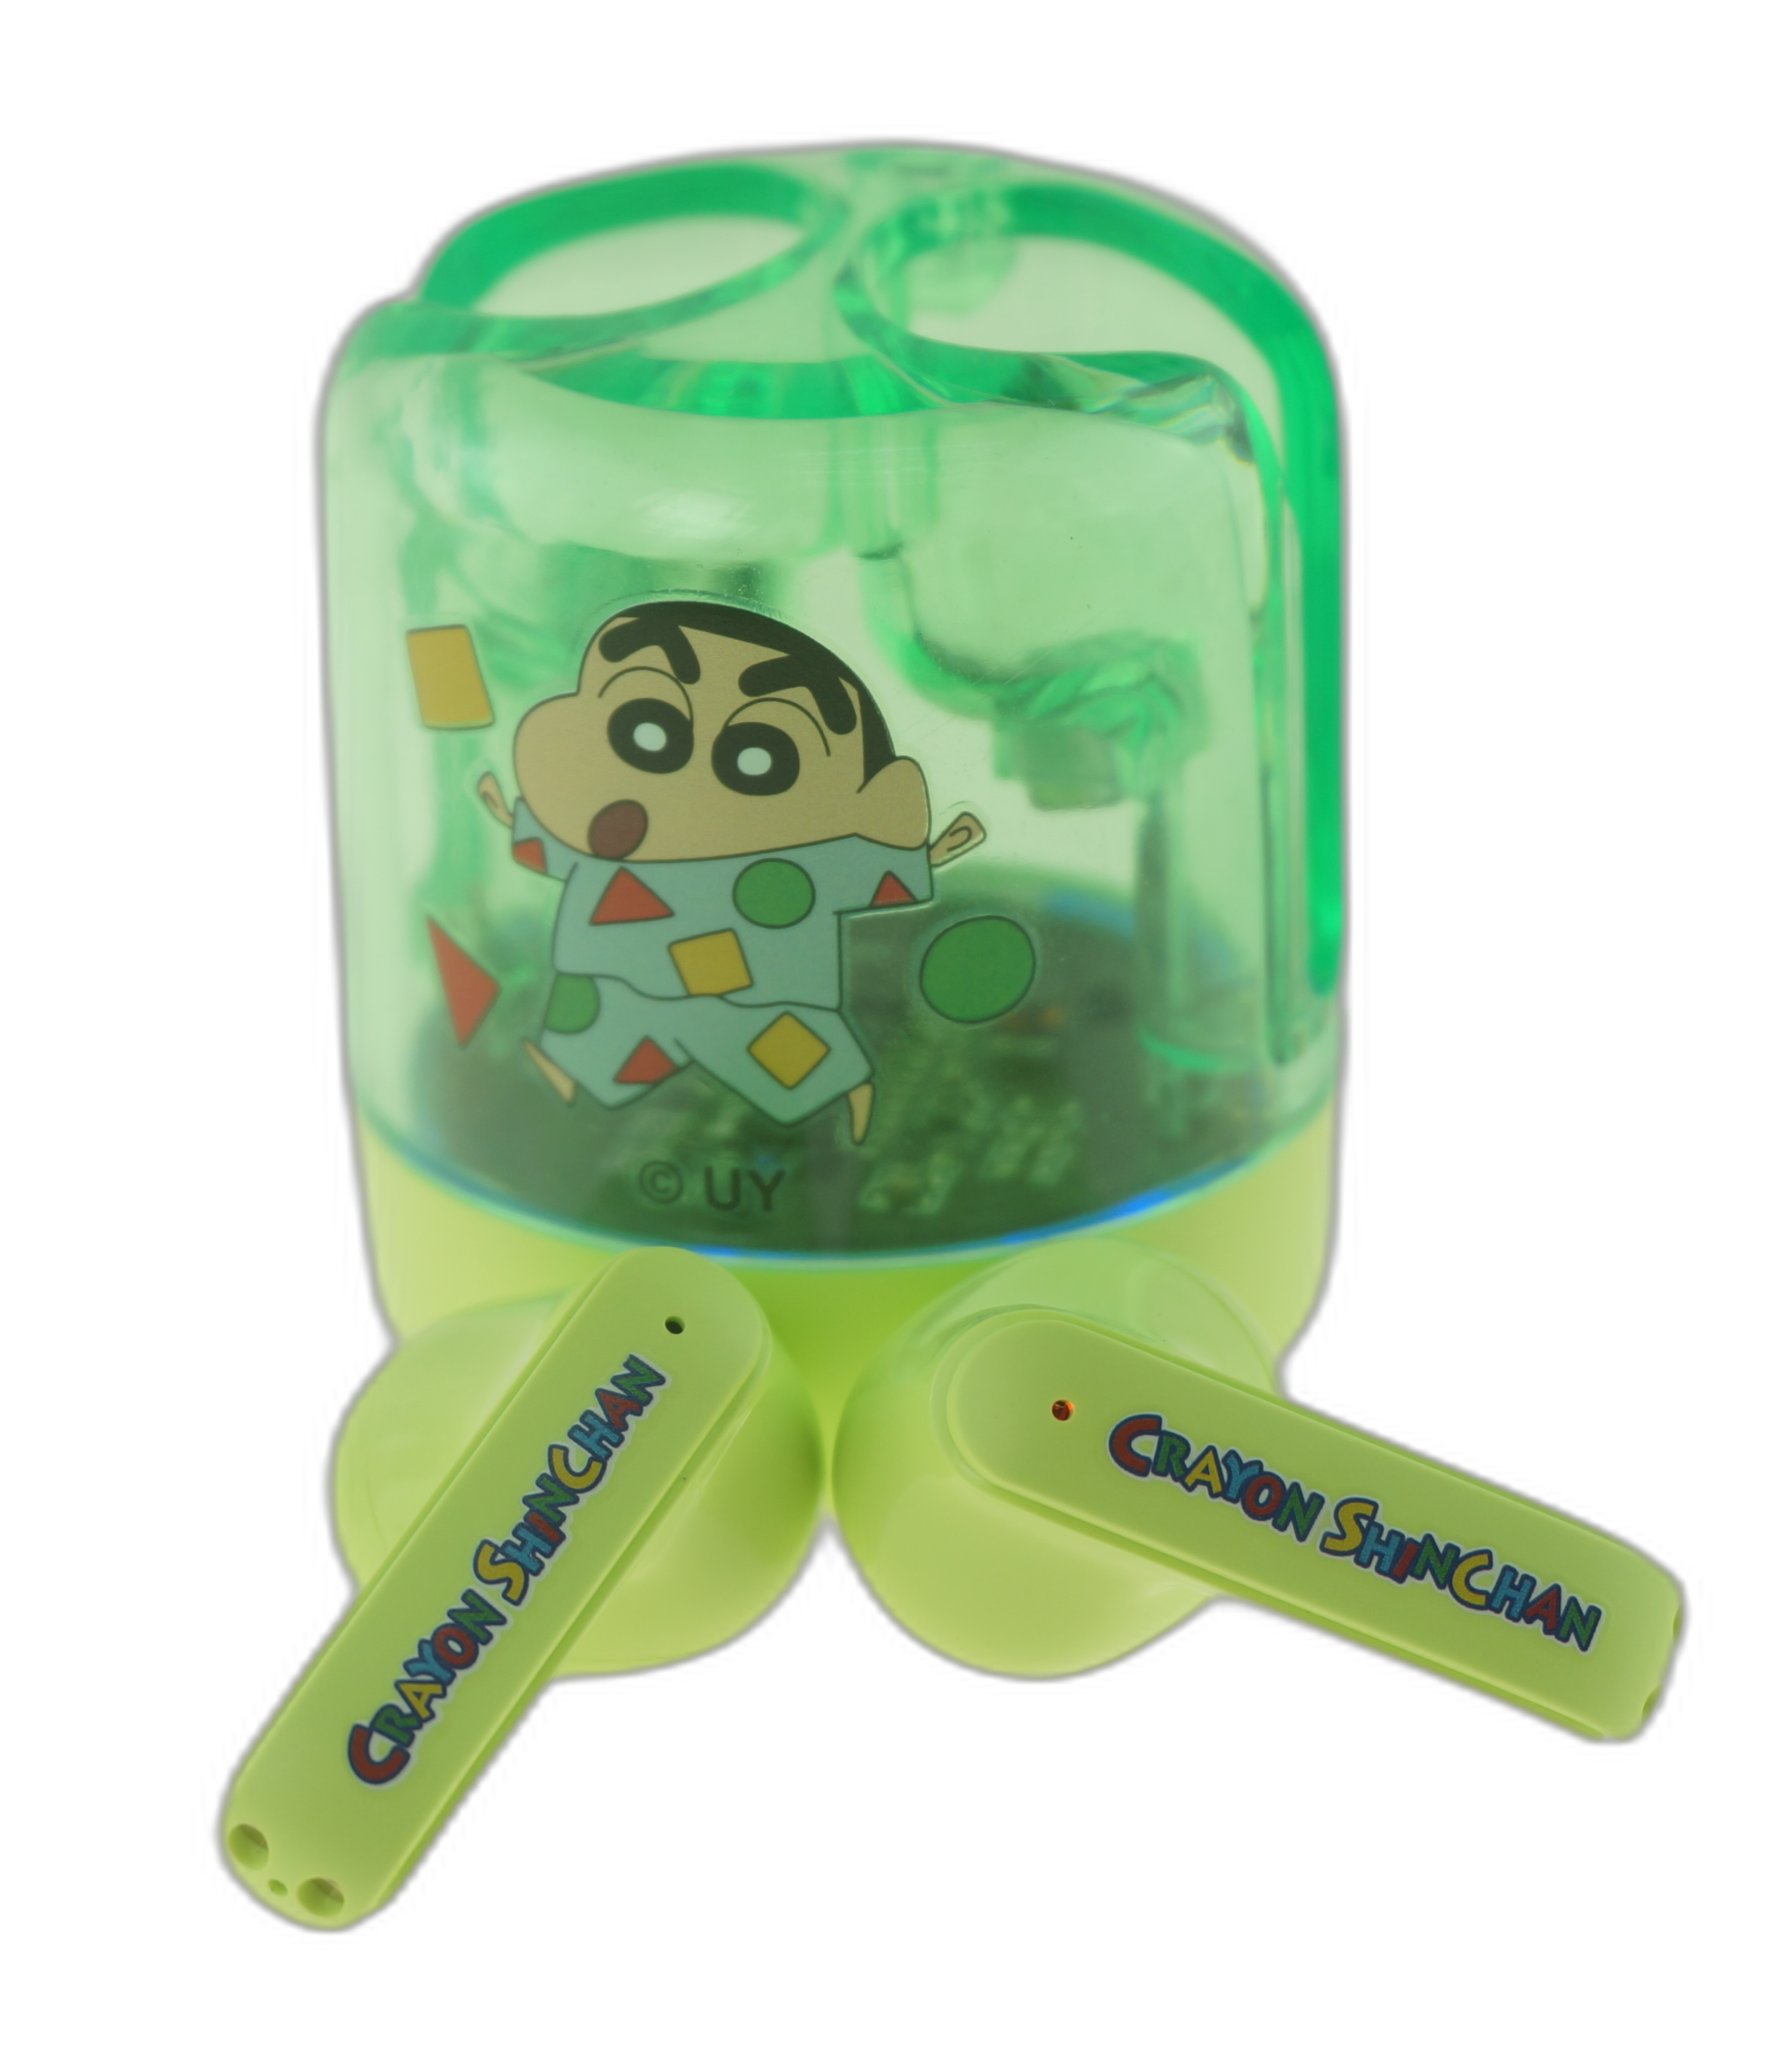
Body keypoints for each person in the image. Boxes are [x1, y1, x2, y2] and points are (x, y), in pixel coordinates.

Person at [479, 599, 986, 1143]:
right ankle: (568, 1077)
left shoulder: (793, 868)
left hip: (752, 995)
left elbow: (862, 872)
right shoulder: (610, 836)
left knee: (789, 1049)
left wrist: (924, 855)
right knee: (605, 1032)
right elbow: (557, 839)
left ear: (868, 802)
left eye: (760, 757)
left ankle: (848, 1106)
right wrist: (511, 817)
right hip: (625, 980)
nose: (686, 783)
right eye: (646, 729)